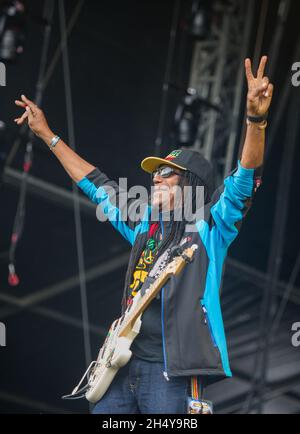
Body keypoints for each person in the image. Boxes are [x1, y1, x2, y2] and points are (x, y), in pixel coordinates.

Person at [14, 56, 273, 414]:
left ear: (191, 185)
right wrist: (47, 135)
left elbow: (245, 178)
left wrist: (255, 120)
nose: (156, 178)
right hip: (121, 364)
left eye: (167, 173)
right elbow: (96, 184)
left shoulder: (210, 226)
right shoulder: (144, 224)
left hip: (170, 371)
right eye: (156, 172)